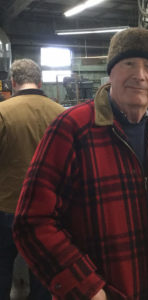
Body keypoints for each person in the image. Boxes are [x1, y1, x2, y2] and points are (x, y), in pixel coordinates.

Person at [13, 29, 148, 300]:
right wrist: (87, 288)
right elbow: (31, 221)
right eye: (129, 64)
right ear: (111, 72)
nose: (140, 75)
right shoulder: (72, 129)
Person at [0, 58, 65, 300]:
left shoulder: (2, 113)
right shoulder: (61, 114)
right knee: (43, 274)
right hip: (49, 210)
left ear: (13, 82)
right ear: (40, 82)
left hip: (6, 207)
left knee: (1, 269)